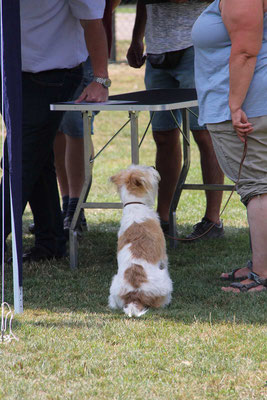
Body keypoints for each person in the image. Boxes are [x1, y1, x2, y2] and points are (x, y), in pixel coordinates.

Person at [1, 0, 110, 263]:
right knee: (34, 156)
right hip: (14, 73)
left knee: (19, 157)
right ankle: (50, 242)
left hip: (52, 75)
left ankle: (45, 240)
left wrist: (100, 78)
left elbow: (92, 20)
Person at [127, 0, 225, 240]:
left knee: (203, 132)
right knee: (163, 135)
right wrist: (137, 37)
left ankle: (213, 220)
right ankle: (163, 218)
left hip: (195, 46)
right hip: (157, 51)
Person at [192, 0, 267, 292]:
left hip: (248, 104)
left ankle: (261, 274)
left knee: (258, 188)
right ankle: (259, 263)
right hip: (253, 100)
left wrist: (234, 104)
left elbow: (246, 51)